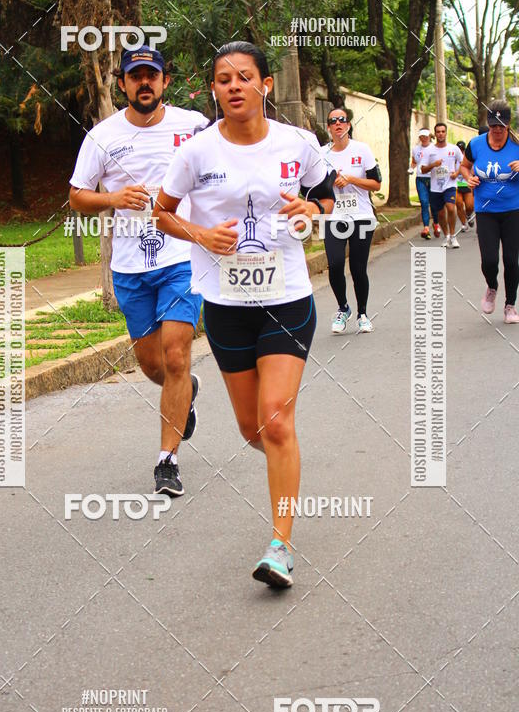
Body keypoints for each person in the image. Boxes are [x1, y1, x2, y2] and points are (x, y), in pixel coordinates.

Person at [152, 41, 335, 588]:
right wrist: (200, 233)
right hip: (227, 308)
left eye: (244, 76)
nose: (234, 86)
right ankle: (286, 457)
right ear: (214, 90)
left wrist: (312, 209)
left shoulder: (298, 144)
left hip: (286, 298)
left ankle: (280, 545)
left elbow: (326, 196)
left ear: (265, 86)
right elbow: (161, 213)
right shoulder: (196, 152)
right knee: (254, 429)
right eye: (223, 79)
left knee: (276, 420)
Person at [69, 46, 208, 497]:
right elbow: (77, 196)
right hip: (130, 267)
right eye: (136, 76)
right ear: (123, 84)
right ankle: (185, 390)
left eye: (153, 75)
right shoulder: (102, 137)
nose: (144, 83)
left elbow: (226, 164)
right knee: (153, 366)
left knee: (174, 355)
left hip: (181, 258)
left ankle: (166, 462)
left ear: (166, 81)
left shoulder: (193, 126)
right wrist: (114, 199)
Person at [321, 108, 382, 332]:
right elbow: (314, 186)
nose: (338, 124)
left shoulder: (362, 150)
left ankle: (362, 314)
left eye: (342, 120)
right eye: (333, 121)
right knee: (335, 264)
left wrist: (351, 179)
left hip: (361, 216)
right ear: (328, 127)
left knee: (358, 268)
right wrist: (330, 183)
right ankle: (343, 307)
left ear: (348, 125)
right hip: (334, 216)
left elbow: (376, 184)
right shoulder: (321, 154)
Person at [460, 100, 519, 323]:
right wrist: (469, 178)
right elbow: (464, 166)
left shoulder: (517, 145)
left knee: (512, 261)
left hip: (514, 210)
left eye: (501, 126)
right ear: (488, 123)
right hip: (485, 211)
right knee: (489, 260)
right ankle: (492, 287)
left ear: (508, 124)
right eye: (493, 125)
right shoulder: (476, 144)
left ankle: (510, 305)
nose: (496, 130)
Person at [422, 123, 463, 248]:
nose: (441, 134)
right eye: (438, 132)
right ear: (435, 134)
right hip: (435, 186)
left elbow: (463, 163)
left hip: (450, 184)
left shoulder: (454, 149)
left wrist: (456, 173)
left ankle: (453, 235)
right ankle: (446, 236)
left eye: (443, 131)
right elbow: (423, 169)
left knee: (451, 208)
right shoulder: (429, 150)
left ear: (446, 133)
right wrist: (433, 165)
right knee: (440, 214)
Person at [409, 128, 438, 238]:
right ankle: (426, 227)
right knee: (424, 202)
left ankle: (435, 223)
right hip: (420, 178)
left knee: (434, 203)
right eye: (422, 136)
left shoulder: (435, 148)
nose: (424, 138)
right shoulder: (416, 149)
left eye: (426, 136)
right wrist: (411, 168)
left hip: (432, 178)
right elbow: (414, 162)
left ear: (430, 136)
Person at [455, 141, 475, 231]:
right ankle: (463, 224)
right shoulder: (453, 158)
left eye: (462, 149)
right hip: (456, 184)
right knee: (458, 204)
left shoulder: (468, 157)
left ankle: (468, 215)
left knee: (469, 206)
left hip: (467, 183)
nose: (461, 151)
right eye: (459, 149)